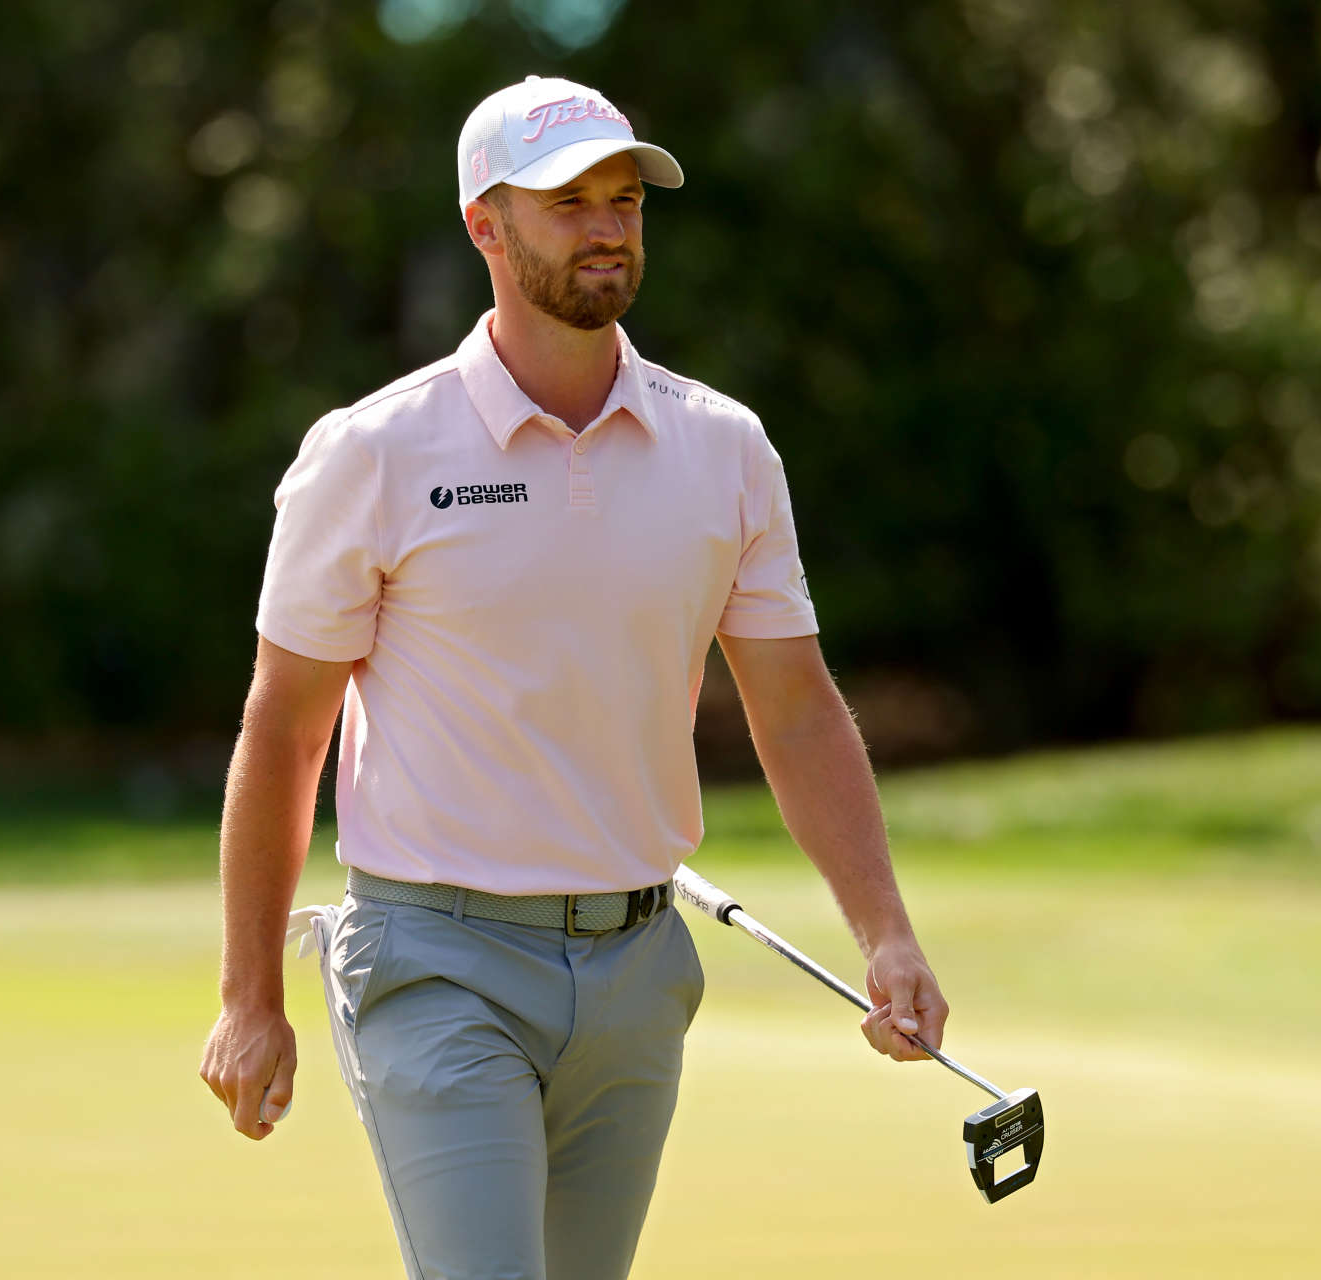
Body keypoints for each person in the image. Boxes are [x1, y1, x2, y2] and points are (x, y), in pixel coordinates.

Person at [199, 74, 950, 1280]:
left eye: (624, 201)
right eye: (568, 203)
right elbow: (284, 731)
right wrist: (250, 996)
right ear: (485, 227)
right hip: (435, 962)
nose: (608, 226)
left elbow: (797, 706)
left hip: (638, 967)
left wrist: (888, 931)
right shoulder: (374, 453)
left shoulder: (724, 448)